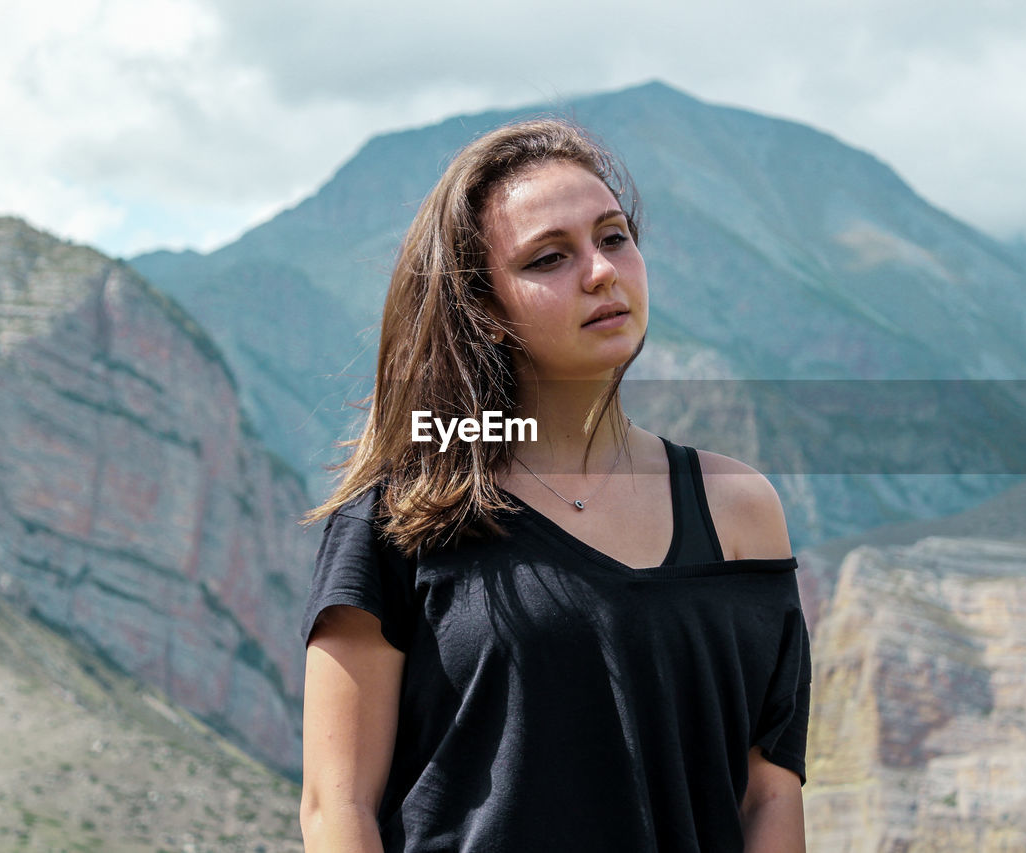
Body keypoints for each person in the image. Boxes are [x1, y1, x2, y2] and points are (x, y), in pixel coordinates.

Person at [299, 118, 810, 852]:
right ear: (484, 309)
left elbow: (769, 796)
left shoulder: (739, 510)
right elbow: (336, 806)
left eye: (613, 237)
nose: (601, 272)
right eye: (548, 258)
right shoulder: (404, 512)